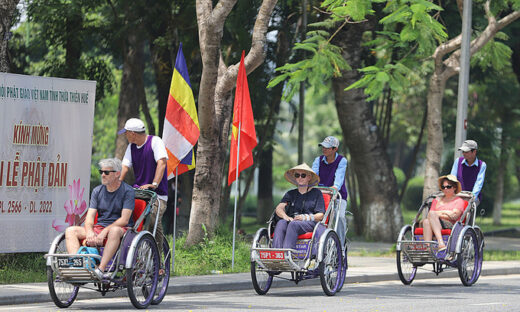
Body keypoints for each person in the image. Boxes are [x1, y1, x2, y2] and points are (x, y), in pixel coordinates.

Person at [65, 158, 135, 280]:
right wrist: (90, 232)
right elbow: (90, 218)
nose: (103, 175)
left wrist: (104, 231)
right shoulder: (97, 191)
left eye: (106, 172)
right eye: (101, 172)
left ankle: (101, 269)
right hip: (99, 228)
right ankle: (77, 267)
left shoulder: (127, 191)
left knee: (113, 231)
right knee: (71, 230)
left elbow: (124, 220)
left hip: (121, 229)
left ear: (117, 173)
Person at [118, 118, 168, 256]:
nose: (125, 136)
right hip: (139, 192)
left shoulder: (155, 141)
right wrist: (116, 184)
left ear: (133, 133)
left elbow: (162, 163)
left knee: (152, 219)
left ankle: (158, 259)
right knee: (125, 215)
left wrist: (154, 184)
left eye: (126, 133)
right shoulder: (131, 147)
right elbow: (124, 167)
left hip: (157, 195)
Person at [273, 163, 325, 249]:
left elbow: (320, 216)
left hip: (310, 223)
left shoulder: (316, 193)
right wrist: (285, 216)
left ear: (309, 177)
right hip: (292, 220)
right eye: (297, 175)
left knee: (293, 224)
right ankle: (276, 254)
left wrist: (304, 218)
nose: (300, 178)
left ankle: (287, 254)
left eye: (303, 175)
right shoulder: (290, 194)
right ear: (295, 177)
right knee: (281, 222)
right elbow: (279, 208)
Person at [311, 136, 348, 246]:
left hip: (338, 196)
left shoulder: (342, 160)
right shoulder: (318, 160)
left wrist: (334, 188)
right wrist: (310, 185)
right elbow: (313, 177)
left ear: (335, 149)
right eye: (323, 147)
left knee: (339, 217)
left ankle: (340, 246)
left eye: (327, 147)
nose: (324, 149)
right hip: (320, 195)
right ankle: (315, 244)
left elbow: (339, 179)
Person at [422, 174, 466, 251]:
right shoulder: (437, 199)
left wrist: (437, 214)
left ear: (454, 187)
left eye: (448, 187)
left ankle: (440, 243)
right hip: (435, 222)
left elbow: (454, 216)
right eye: (443, 187)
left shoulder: (459, 201)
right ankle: (428, 248)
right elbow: (430, 214)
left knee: (432, 215)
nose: (445, 189)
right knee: (426, 221)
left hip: (452, 225)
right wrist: (446, 212)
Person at [450, 139, 486, 205]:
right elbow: (452, 179)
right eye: (463, 151)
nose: (463, 154)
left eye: (466, 152)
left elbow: (478, 184)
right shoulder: (458, 161)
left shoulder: (482, 165)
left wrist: (472, 197)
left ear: (474, 152)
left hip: (473, 197)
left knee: (466, 210)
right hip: (457, 195)